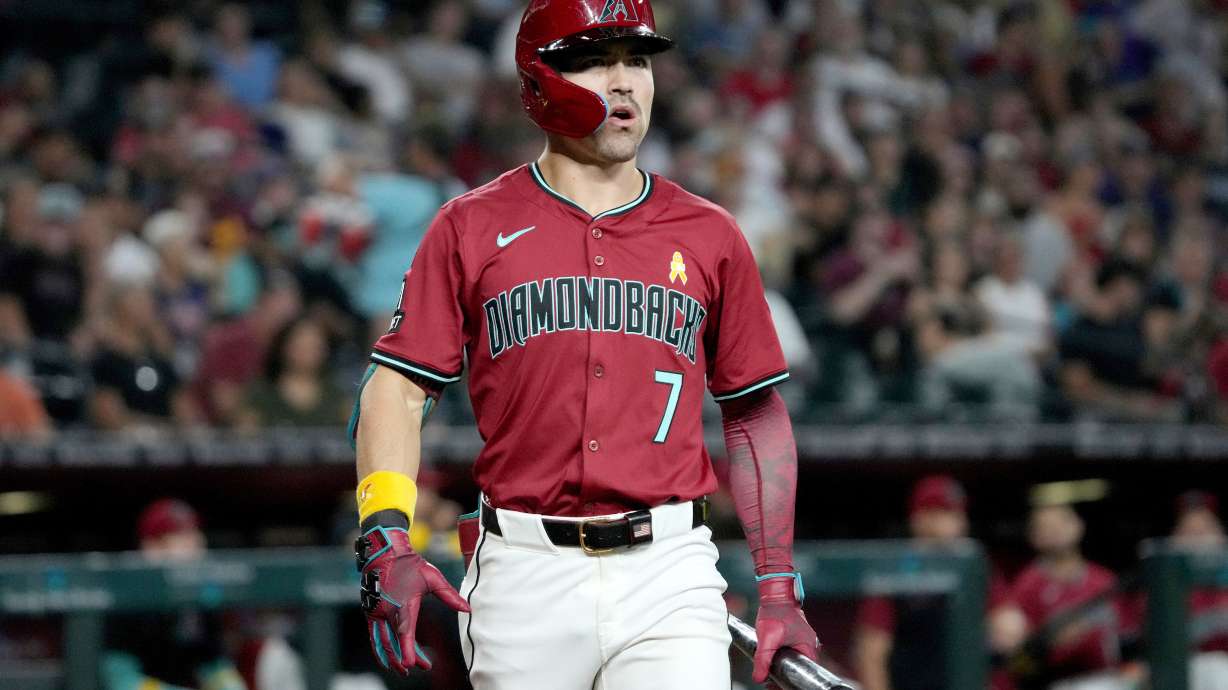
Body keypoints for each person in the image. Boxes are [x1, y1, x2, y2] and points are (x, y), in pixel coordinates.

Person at [349, 1, 819, 688]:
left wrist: (778, 582)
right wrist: (386, 528)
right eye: (596, 60)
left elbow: (753, 411)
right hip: (522, 571)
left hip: (670, 567)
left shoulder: (710, 233)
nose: (625, 80)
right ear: (539, 82)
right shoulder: (469, 226)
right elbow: (397, 385)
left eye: (637, 59)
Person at [854, 476, 1016, 690]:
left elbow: (1010, 628)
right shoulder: (895, 571)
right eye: (945, 513)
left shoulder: (973, 566)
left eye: (958, 514)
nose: (957, 522)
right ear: (920, 518)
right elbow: (872, 653)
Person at [1004, 503, 1127, 690]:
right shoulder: (1026, 587)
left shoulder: (1105, 580)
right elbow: (1015, 664)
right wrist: (1048, 643)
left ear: (1079, 526)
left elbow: (1128, 636)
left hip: (1110, 680)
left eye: (1062, 522)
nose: (1056, 530)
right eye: (1046, 526)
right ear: (1034, 537)